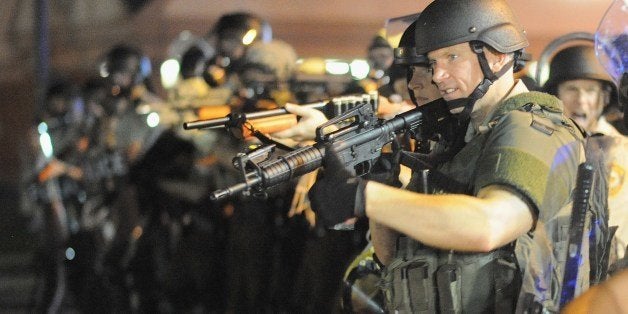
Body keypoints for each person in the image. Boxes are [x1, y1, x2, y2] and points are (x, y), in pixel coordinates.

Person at [303, 0, 586, 312]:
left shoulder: (534, 129)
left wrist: (366, 197)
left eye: (452, 57)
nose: (437, 76)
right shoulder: (468, 136)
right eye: (433, 62)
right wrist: (385, 196)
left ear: (498, 55)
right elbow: (394, 259)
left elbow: (490, 225)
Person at [542, 43, 628, 261]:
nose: (581, 100)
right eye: (572, 89)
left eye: (590, 90)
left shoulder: (623, 149)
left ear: (605, 97)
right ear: (555, 95)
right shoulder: (541, 144)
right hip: (552, 265)